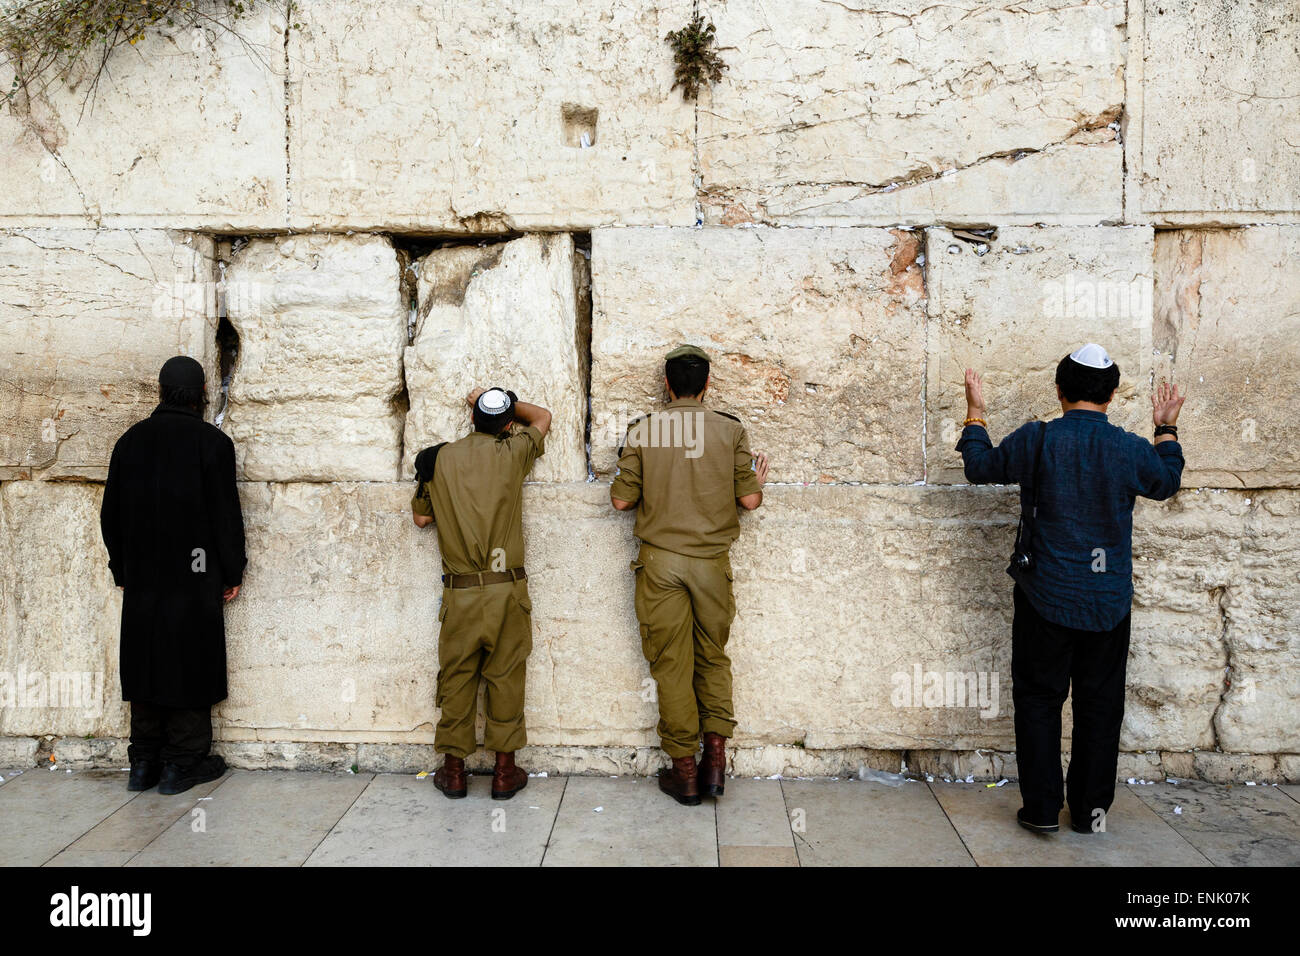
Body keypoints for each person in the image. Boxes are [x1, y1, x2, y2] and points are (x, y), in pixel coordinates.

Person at [956, 343, 1185, 835]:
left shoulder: (1036, 440)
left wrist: (975, 413)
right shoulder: (1128, 448)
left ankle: (1041, 810)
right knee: (1100, 707)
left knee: (1039, 700)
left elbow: (979, 467)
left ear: (1058, 390)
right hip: (1108, 602)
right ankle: (1089, 814)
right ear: (1114, 395)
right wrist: (1166, 427)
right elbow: (1166, 482)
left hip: (1045, 596)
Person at [610, 345, 770, 806]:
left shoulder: (643, 431)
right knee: (713, 658)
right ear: (707, 386)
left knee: (671, 665)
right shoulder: (730, 431)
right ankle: (714, 762)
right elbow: (750, 502)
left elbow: (621, 502)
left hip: (661, 564)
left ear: (665, 383)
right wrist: (755, 480)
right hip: (711, 565)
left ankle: (683, 772)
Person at [100, 355, 246, 795]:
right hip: (195, 576)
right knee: (189, 659)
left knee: (146, 659)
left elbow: (111, 515)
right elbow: (226, 518)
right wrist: (232, 569)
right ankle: (181, 763)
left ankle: (143, 762)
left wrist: (121, 567)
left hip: (144, 578)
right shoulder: (213, 444)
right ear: (202, 395)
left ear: (160, 392)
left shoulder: (130, 442)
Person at [411, 387, 551, 800]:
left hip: (462, 593)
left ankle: (454, 772)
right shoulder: (513, 452)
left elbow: (421, 519)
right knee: (506, 676)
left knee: (456, 677)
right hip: (506, 589)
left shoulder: (437, 458)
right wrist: (495, 396)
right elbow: (542, 417)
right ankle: (504, 772)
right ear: (508, 425)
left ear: (472, 418)